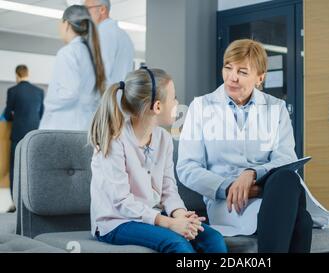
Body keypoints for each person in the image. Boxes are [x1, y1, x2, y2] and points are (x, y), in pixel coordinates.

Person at [177, 39, 313, 253]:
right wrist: (230, 187)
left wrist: (251, 173)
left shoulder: (276, 108)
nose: (232, 77)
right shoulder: (201, 107)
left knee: (287, 178)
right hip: (227, 203)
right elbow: (187, 168)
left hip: (267, 193)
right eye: (228, 68)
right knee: (301, 219)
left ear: (260, 78)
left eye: (242, 71)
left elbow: (285, 158)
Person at [88, 68, 227, 253]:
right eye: (174, 98)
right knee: (177, 244)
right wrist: (169, 223)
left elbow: (168, 189)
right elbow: (121, 202)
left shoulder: (164, 139)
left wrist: (180, 215)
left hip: (149, 216)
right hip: (116, 221)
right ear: (158, 107)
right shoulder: (115, 140)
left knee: (212, 238)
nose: (177, 103)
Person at [39, 5, 106, 131]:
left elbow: (69, 93)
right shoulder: (90, 54)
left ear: (67, 24)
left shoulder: (68, 52)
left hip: (64, 126)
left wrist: (49, 102)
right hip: (84, 126)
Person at [3, 65, 44, 202]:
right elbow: (41, 114)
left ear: (17, 75)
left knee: (15, 168)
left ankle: (15, 201)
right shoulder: (39, 91)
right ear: (27, 74)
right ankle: (32, 200)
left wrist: (15, 116)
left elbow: (7, 115)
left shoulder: (13, 91)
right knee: (32, 168)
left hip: (18, 136)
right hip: (34, 136)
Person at [84, 0, 135, 87]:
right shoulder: (124, 35)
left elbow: (100, 73)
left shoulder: (102, 34)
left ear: (102, 9)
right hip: (119, 96)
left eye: (87, 9)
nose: (85, 14)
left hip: (105, 97)